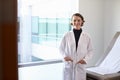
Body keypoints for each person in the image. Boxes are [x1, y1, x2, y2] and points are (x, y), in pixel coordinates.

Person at [59, 13, 93, 80]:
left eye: (78, 20)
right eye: (74, 20)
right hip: (69, 66)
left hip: (80, 66)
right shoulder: (66, 35)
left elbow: (90, 50)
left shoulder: (87, 36)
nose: (76, 22)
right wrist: (64, 56)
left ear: (82, 22)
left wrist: (85, 60)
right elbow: (61, 48)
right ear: (71, 22)